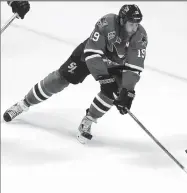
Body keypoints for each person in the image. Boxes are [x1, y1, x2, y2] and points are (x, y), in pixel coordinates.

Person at [3, 4, 148, 145]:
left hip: (116, 63)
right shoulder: (107, 22)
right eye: (131, 24)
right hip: (91, 55)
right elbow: (92, 53)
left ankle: (89, 120)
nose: (135, 28)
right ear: (122, 21)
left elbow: (134, 67)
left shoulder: (140, 36)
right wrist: (104, 79)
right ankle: (23, 104)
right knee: (59, 80)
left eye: (137, 24)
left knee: (115, 91)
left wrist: (127, 91)